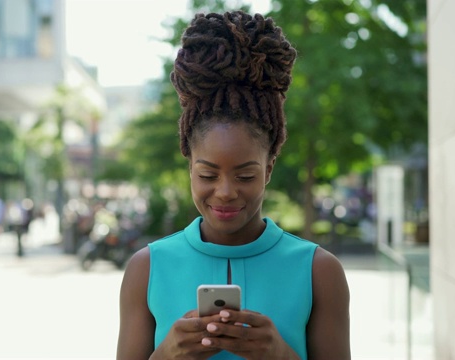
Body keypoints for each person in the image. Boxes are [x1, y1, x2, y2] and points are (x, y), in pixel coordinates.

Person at [117, 11, 350, 359]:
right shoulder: (146, 269)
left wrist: (281, 354)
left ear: (269, 169)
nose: (225, 191)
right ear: (189, 166)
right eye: (208, 174)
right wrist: (166, 354)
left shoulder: (319, 271)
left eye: (245, 175)